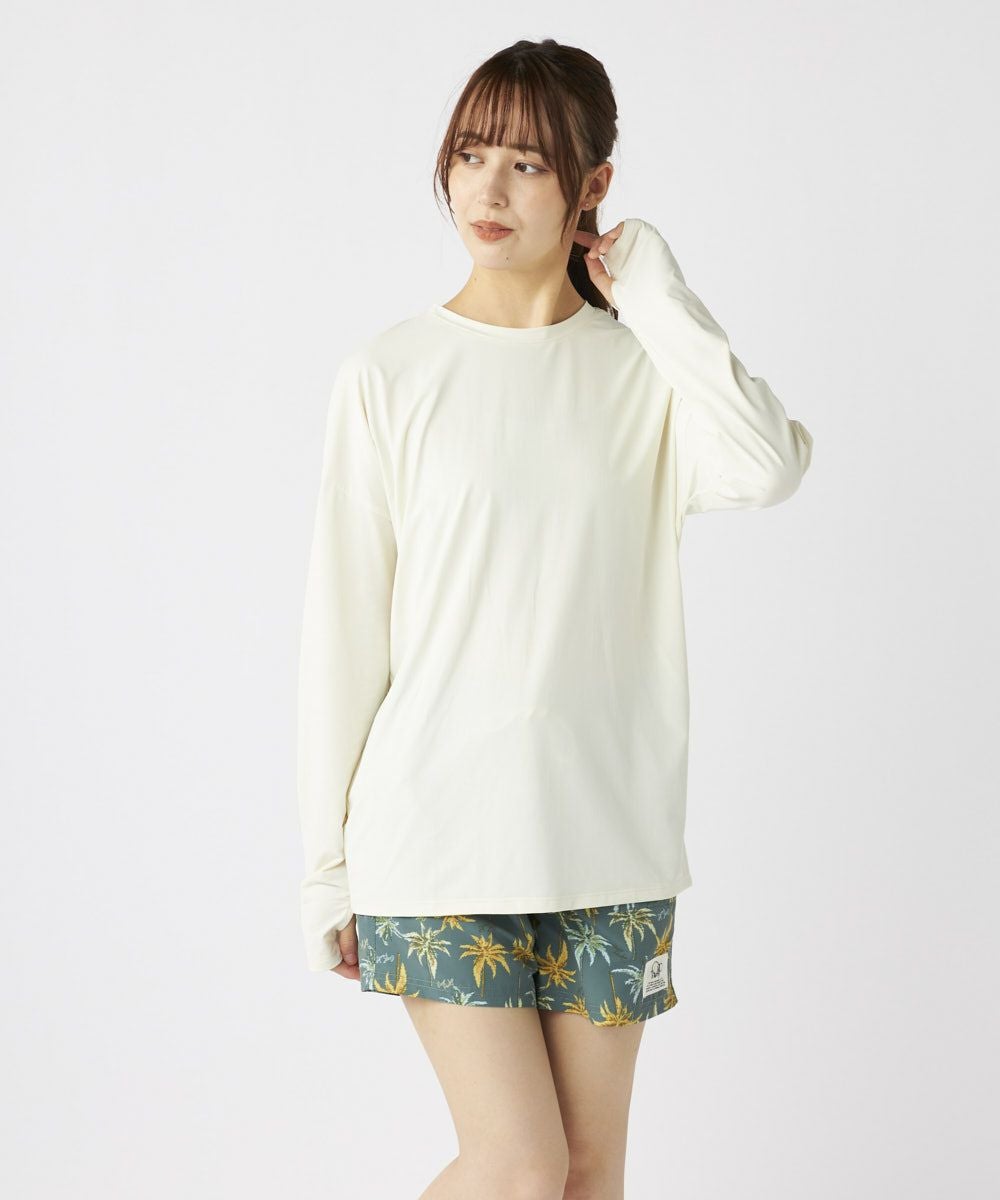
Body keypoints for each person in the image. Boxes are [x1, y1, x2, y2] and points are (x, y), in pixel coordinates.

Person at [296, 37, 813, 1200]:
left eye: (527, 163)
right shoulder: (389, 374)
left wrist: (654, 291)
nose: (485, 189)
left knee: (587, 1174)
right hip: (436, 840)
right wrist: (327, 871)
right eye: (469, 153)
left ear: (592, 186)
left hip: (609, 839)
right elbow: (342, 635)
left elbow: (767, 467)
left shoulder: (645, 373)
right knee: (520, 1166)